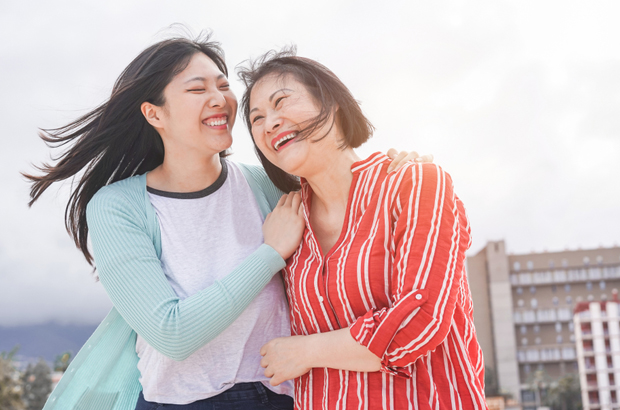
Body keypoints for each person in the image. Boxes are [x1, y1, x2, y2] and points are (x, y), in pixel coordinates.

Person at [25, 34, 422, 410]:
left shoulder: (269, 184)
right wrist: (269, 255)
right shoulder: (118, 207)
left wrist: (395, 169)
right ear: (154, 113)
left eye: (223, 86)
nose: (219, 100)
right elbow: (171, 334)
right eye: (198, 90)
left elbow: (351, 223)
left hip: (289, 396)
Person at [239, 50, 487, 409]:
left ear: (333, 104)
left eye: (281, 102)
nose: (269, 123)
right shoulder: (286, 224)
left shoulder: (414, 182)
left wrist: (304, 352)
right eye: (257, 119)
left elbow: (418, 323)